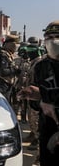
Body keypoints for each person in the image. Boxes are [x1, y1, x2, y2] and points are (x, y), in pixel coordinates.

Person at [18, 20, 59, 165]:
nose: (53, 40)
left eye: (57, 35)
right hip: (47, 128)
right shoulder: (41, 66)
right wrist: (35, 96)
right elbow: (38, 102)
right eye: (49, 36)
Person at [0, 35, 20, 107]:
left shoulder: (8, 54)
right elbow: (3, 72)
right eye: (15, 44)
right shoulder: (2, 55)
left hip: (8, 85)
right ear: (10, 44)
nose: (16, 47)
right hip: (2, 85)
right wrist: (15, 70)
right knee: (2, 106)